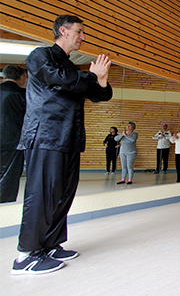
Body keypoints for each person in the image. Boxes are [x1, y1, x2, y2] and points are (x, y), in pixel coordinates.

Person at [13, 14, 112, 275]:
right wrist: (91, 76)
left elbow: (99, 94)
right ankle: (25, 256)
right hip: (45, 136)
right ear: (63, 31)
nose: (82, 36)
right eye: (79, 31)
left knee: (62, 195)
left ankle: (50, 244)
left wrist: (100, 79)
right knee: (42, 194)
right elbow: (60, 80)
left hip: (69, 138)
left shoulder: (72, 68)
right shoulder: (40, 56)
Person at [0, 65, 27, 203]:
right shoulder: (23, 94)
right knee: (10, 174)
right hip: (14, 139)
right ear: (22, 77)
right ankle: (4, 203)